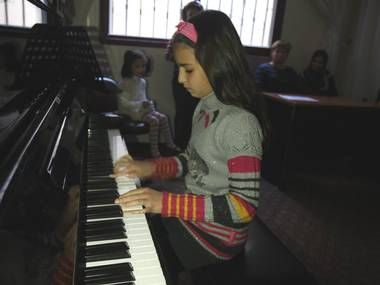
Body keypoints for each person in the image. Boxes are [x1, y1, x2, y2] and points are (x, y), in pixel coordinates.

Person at [113, 10, 269, 283]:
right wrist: (148, 167)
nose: (181, 80)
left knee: (130, 254)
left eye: (188, 69)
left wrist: (165, 202)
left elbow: (244, 206)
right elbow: (189, 160)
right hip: (195, 220)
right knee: (123, 222)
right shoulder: (205, 107)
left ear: (218, 62)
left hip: (217, 238)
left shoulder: (240, 125)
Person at [118, 49, 179, 158]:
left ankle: (170, 144)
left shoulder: (142, 82)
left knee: (164, 118)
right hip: (131, 112)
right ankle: (154, 151)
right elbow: (124, 103)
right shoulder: (126, 82)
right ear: (129, 66)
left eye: (143, 66)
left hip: (142, 110)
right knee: (154, 121)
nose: (141, 69)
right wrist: (141, 105)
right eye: (137, 66)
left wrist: (148, 103)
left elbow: (142, 98)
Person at [166, 1, 204, 150]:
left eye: (197, 15)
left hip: (199, 79)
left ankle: (193, 147)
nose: (194, 18)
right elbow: (168, 55)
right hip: (180, 79)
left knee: (198, 113)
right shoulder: (179, 33)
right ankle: (179, 145)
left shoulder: (205, 34)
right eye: (191, 15)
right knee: (182, 113)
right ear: (185, 17)